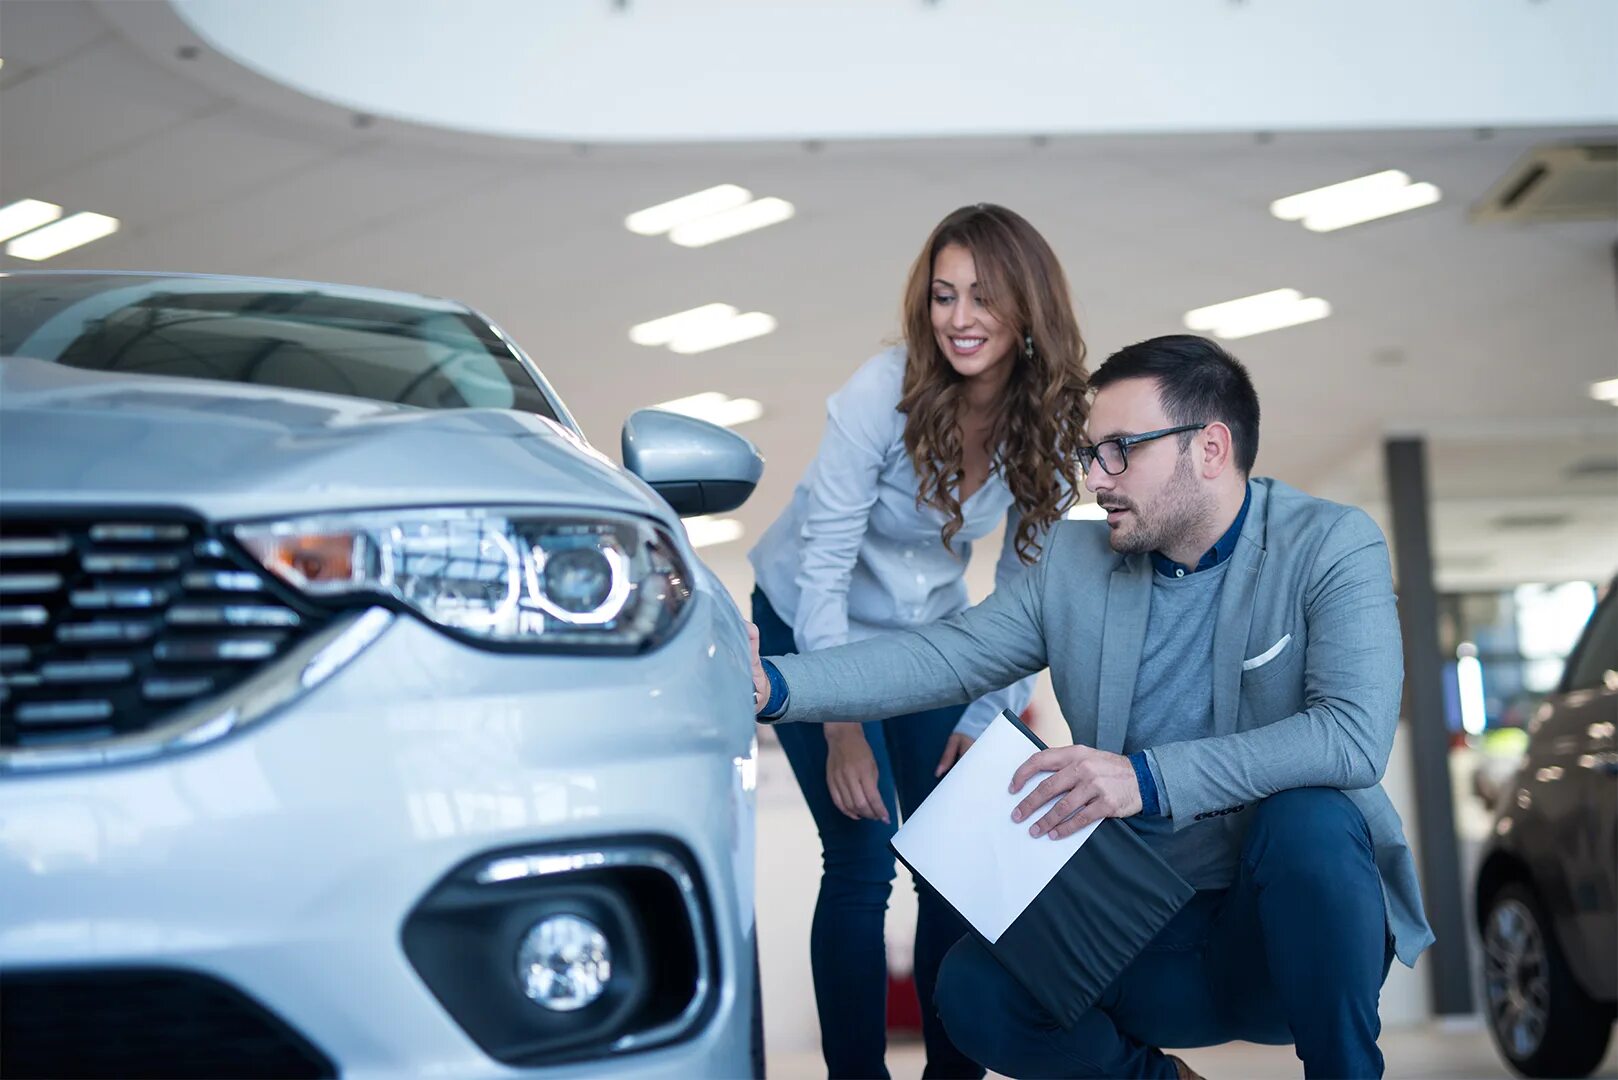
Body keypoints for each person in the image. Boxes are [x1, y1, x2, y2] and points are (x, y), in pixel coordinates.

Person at [747, 334, 1435, 1080]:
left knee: (1311, 816)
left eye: (1121, 450)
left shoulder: (1330, 544)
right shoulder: (1078, 557)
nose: (1097, 478)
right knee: (973, 989)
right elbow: (948, 654)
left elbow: (1350, 738)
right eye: (1089, 454)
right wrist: (778, 686)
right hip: (1137, 925)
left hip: (1286, 939)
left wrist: (1143, 778)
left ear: (1209, 448)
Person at [748, 203, 1090, 1079]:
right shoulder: (882, 389)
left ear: (1027, 309)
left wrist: (985, 714)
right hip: (809, 624)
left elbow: (1025, 590)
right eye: (943, 296)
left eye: (983, 296)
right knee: (862, 857)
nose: (960, 318)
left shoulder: (1046, 419)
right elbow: (824, 563)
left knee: (958, 858)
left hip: (929, 637)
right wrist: (840, 727)